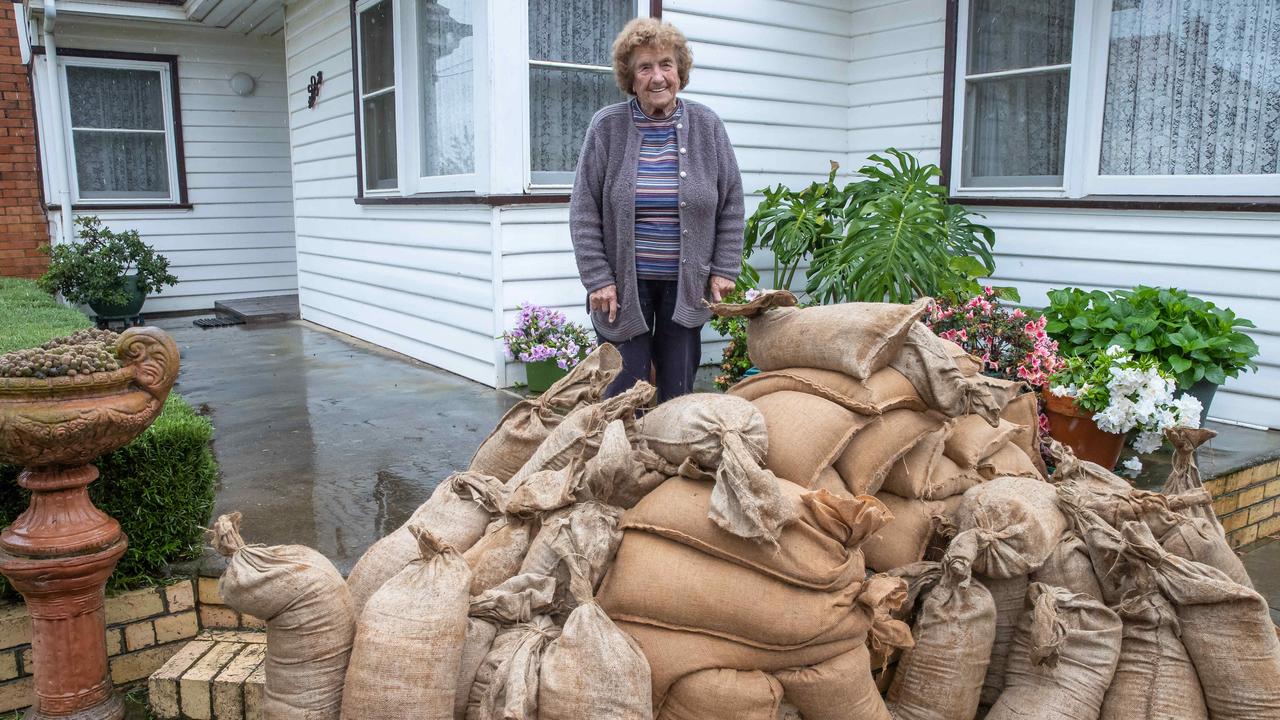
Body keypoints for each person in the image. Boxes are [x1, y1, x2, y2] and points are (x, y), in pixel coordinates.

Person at [570, 17, 744, 403]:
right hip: (621, 286)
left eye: (666, 64)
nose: (657, 76)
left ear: (679, 72)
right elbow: (584, 209)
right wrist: (598, 278)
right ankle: (621, 460)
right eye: (644, 67)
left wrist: (724, 267)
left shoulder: (707, 125)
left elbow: (731, 200)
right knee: (621, 394)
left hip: (687, 285)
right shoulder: (606, 127)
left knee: (678, 392)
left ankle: (669, 460)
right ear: (630, 78)